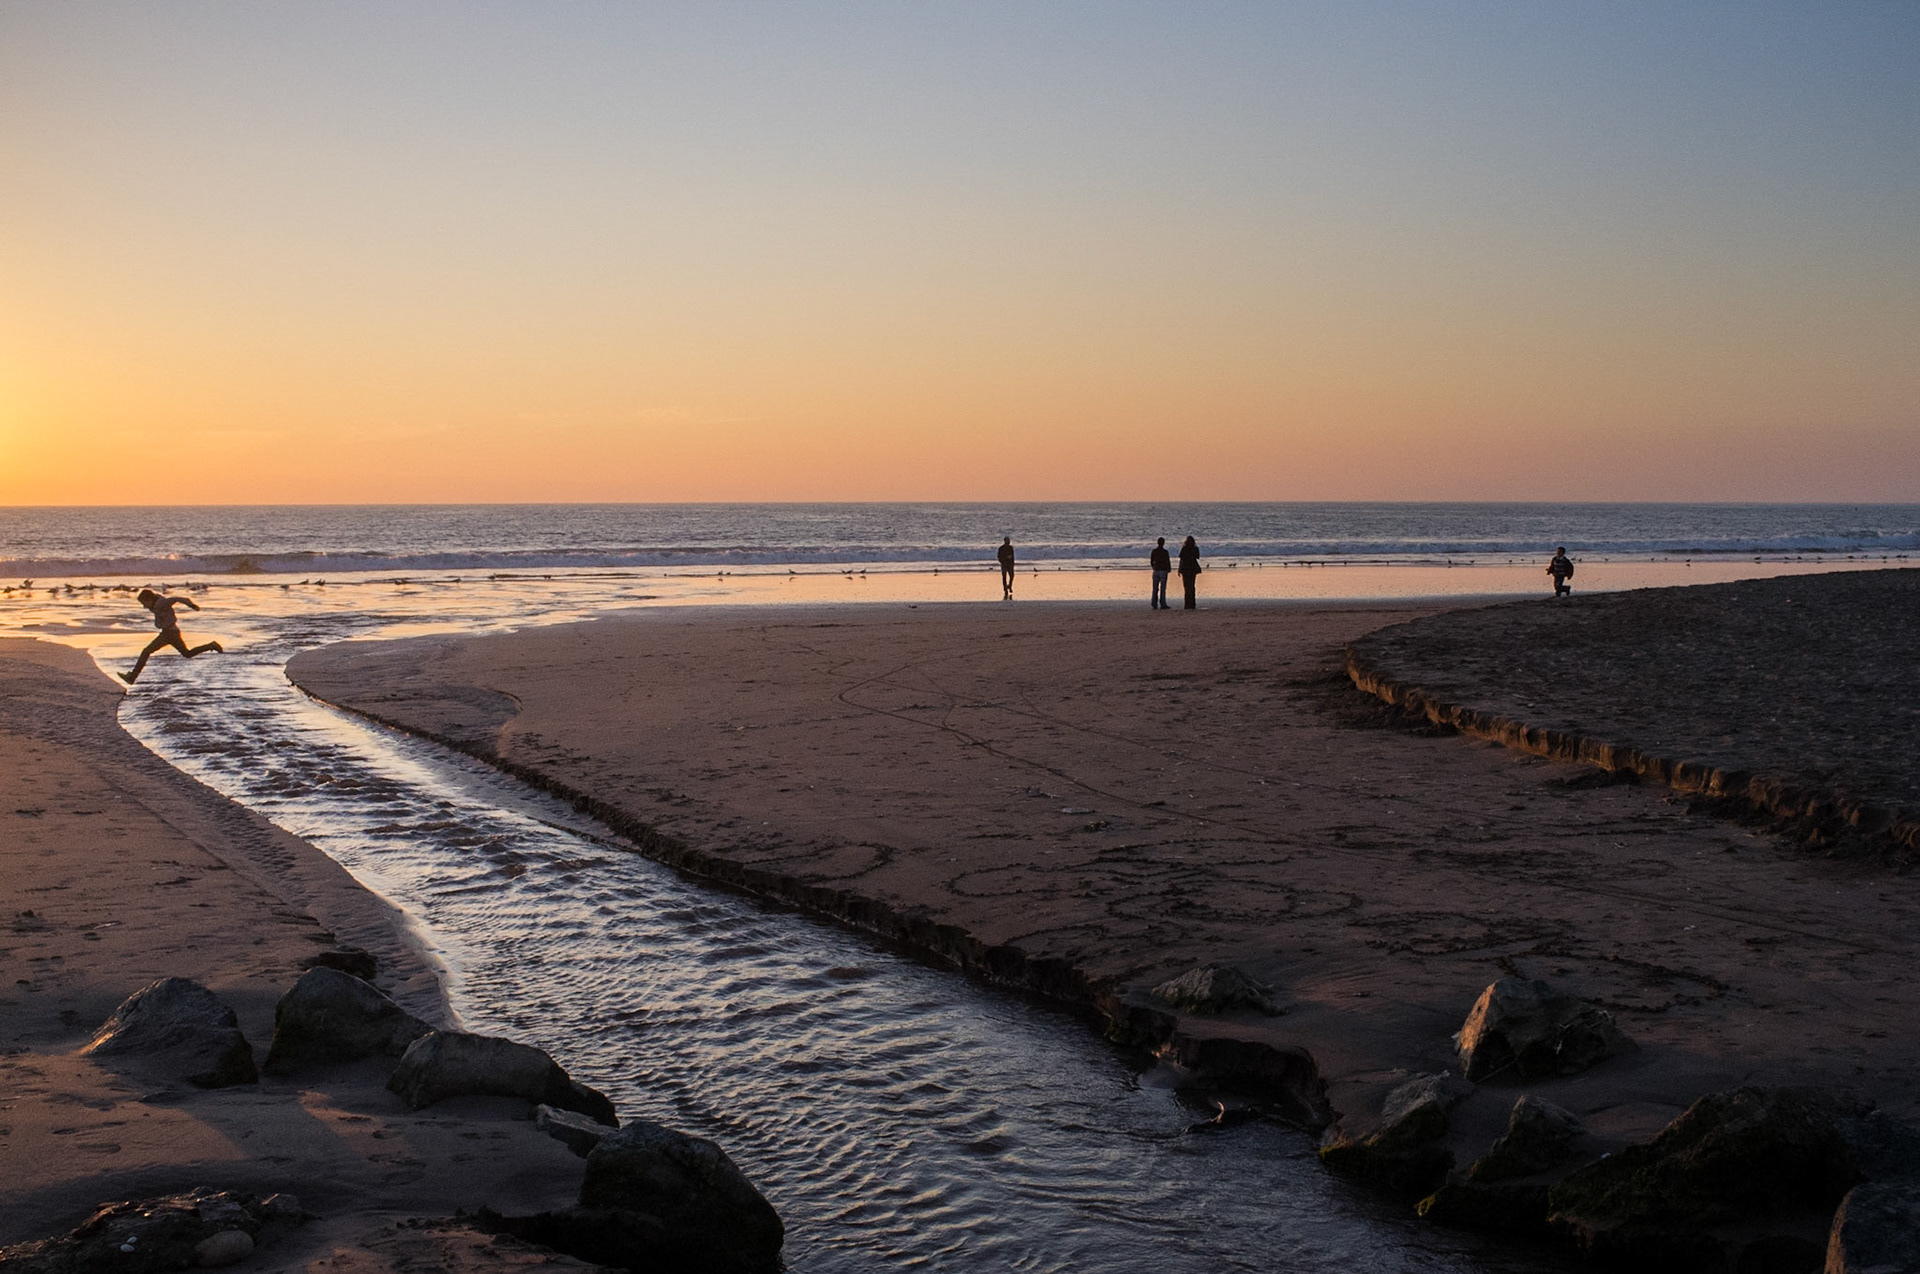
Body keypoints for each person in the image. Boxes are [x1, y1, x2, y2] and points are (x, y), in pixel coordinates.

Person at [121, 588, 223, 684]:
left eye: (144, 603)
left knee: (146, 651)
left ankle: (132, 677)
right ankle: (211, 645)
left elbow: (178, 599)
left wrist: (191, 605)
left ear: (149, 599)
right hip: (170, 632)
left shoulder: (162, 603)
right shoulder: (156, 605)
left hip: (169, 634)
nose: (144, 606)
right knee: (187, 653)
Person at [1177, 535, 1202, 609]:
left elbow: (1181, 560)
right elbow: (1197, 557)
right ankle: (1193, 603)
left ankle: (1187, 604)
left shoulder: (1184, 548)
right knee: (1192, 586)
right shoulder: (1195, 549)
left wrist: (1179, 569)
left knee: (1186, 587)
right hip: (1193, 568)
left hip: (1185, 568)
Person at [1149, 537, 1172, 609]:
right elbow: (1167, 561)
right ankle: (1163, 603)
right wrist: (1169, 568)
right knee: (1163, 588)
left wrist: (1154, 567)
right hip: (1163, 570)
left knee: (1155, 588)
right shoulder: (1165, 552)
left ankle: (1154, 603)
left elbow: (1151, 561)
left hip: (1156, 570)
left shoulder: (1154, 551)